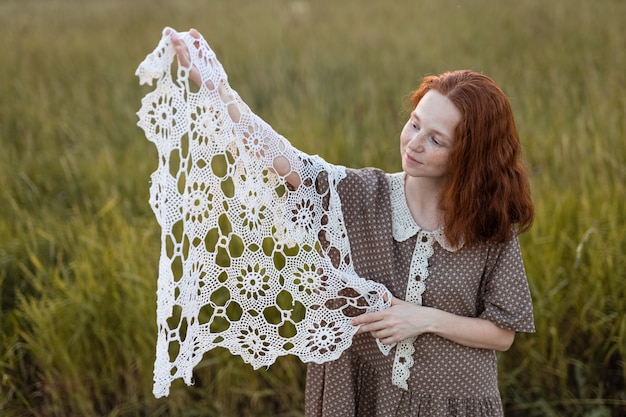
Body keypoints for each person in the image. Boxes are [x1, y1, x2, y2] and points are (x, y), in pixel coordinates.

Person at [162, 27, 535, 416]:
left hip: (456, 403)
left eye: (436, 140)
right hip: (363, 391)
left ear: (470, 157)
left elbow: (503, 332)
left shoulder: (490, 226)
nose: (413, 142)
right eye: (414, 123)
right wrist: (219, 88)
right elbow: (282, 158)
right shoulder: (360, 195)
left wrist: (423, 319)